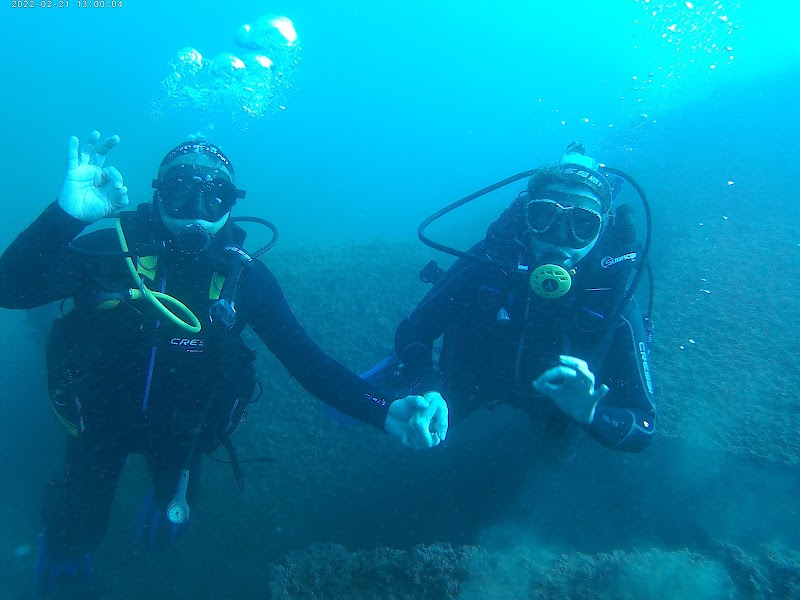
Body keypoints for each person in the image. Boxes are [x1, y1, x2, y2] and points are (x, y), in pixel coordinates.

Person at [0, 131, 448, 596]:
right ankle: (67, 545)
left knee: (175, 507)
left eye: (214, 195)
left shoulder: (244, 278)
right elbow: (8, 289)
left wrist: (384, 410)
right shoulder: (108, 252)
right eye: (180, 189)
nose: (196, 207)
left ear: (232, 203)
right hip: (97, 426)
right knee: (75, 526)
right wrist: (65, 217)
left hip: (183, 433)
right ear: (158, 193)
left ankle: (157, 507)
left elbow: (309, 363)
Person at [382, 144, 655, 455]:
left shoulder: (611, 296)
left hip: (557, 405)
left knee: (552, 452)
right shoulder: (490, 263)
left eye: (582, 224)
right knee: (419, 434)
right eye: (544, 216)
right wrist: (427, 385)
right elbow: (413, 330)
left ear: (602, 227)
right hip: (471, 381)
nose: (560, 237)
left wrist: (589, 413)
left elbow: (644, 427)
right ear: (526, 217)